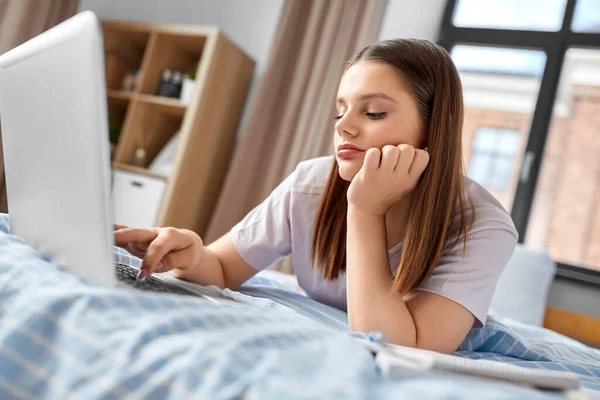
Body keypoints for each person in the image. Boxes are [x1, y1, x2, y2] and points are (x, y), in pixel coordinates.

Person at [115, 39, 518, 354]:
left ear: (433, 130)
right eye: (340, 111)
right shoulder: (310, 183)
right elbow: (222, 268)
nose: (344, 127)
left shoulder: (483, 226)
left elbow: (398, 346)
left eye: (373, 113)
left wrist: (364, 209)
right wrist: (191, 254)